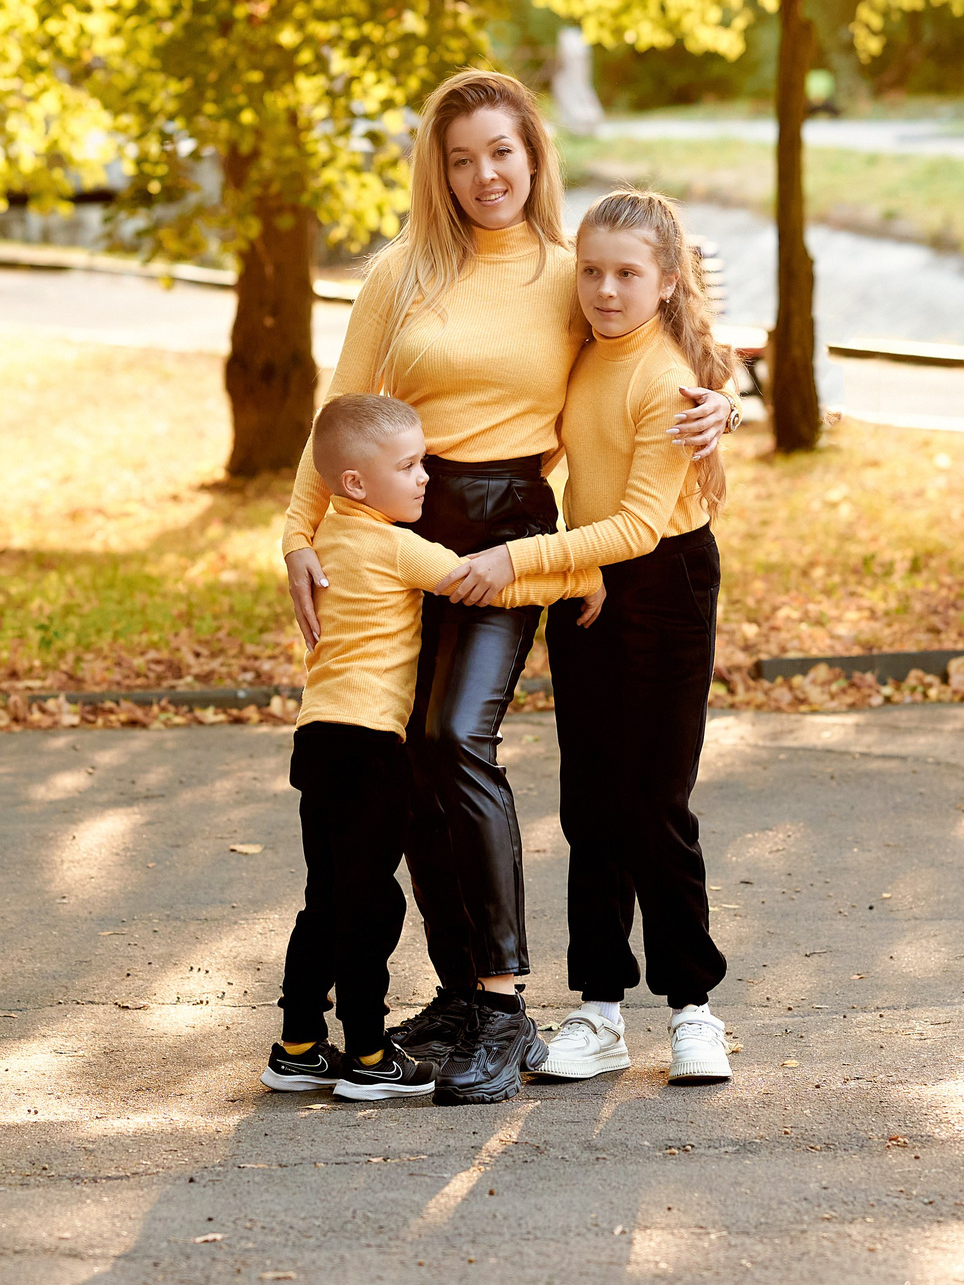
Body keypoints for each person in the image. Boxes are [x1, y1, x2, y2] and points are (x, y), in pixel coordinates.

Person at [280, 71, 739, 1105]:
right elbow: (338, 409)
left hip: (515, 528)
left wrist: (727, 409)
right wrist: (298, 532)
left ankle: (499, 999)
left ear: (533, 156)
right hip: (397, 525)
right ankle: (454, 989)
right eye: (460, 157)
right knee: (401, 758)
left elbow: (668, 340)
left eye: (502, 151)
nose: (484, 174)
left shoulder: (570, 275)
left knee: (453, 737)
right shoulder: (401, 273)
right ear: (435, 171)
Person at [440, 188, 734, 1086]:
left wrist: (519, 560)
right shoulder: (583, 353)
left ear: (666, 279)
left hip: (664, 583)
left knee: (655, 804)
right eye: (593, 271)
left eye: (628, 274)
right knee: (590, 803)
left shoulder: (668, 375)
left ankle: (694, 1010)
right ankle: (599, 1011)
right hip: (588, 582)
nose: (606, 290)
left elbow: (644, 524)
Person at [263, 393, 603, 1104]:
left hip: (317, 739)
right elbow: (473, 580)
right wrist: (578, 574)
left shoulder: (327, 539)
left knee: (323, 898)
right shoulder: (394, 545)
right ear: (356, 483)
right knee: (371, 905)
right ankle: (367, 1052)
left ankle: (297, 1045)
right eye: (411, 465)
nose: (427, 477)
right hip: (370, 748)